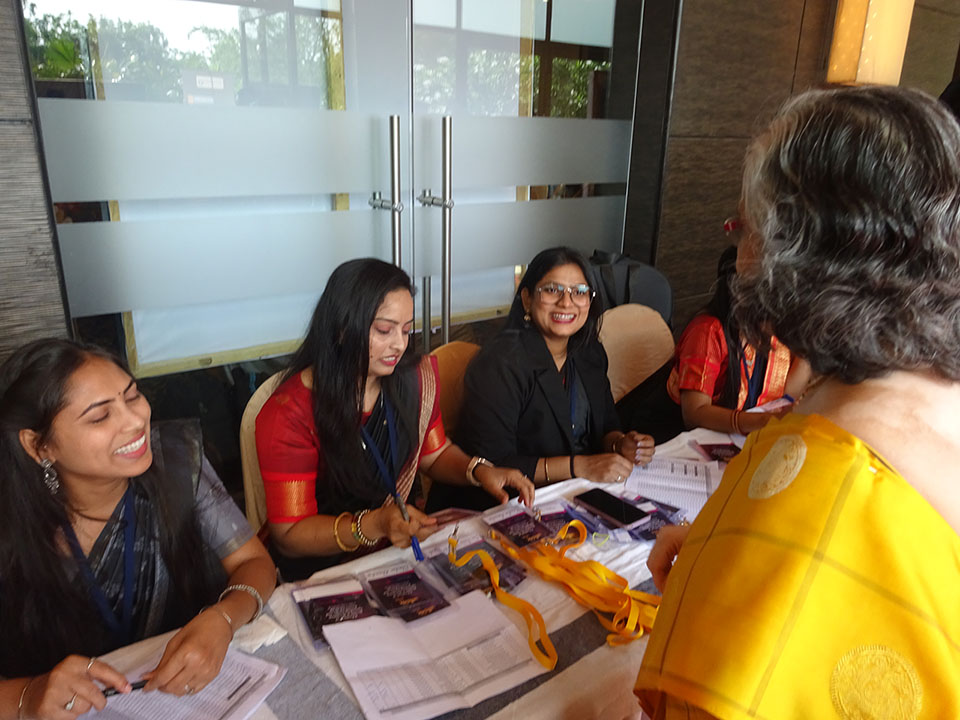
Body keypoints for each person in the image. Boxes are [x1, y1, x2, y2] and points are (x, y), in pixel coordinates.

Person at [636, 86, 960, 718]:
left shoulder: (818, 478)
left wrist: (732, 573)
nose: (741, 257)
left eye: (747, 229)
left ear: (798, 253)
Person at [0, 339, 276, 720]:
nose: (136, 420)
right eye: (99, 417)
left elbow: (253, 562)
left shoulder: (178, 463)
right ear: (38, 446)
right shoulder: (10, 522)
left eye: (132, 396)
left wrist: (224, 618)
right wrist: (26, 696)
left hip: (183, 699)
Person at [255, 258, 534, 580]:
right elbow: (290, 536)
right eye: (384, 330)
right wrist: (374, 524)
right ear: (343, 328)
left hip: (400, 550)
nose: (400, 345)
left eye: (406, 329)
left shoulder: (414, 378)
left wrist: (479, 470)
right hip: (324, 570)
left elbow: (435, 453)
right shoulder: (290, 414)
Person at [452, 246, 655, 500]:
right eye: (552, 290)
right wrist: (579, 466)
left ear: (590, 302)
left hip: (575, 491)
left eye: (579, 292)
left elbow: (606, 427)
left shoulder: (589, 352)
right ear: (526, 299)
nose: (566, 302)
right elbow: (494, 462)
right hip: (508, 500)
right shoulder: (500, 363)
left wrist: (621, 444)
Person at [666, 243, 809, 434]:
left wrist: (808, 348)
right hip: (690, 439)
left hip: (747, 436)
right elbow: (694, 414)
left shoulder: (775, 333)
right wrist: (761, 421)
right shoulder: (708, 331)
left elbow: (787, 397)